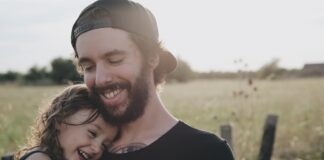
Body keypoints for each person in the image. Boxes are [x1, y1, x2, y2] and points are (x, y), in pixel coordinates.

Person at [71, 0, 235, 159]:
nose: (100, 79)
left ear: (152, 58)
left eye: (115, 60)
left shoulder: (205, 152)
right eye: (88, 67)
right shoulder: (80, 151)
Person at [15, 84, 119, 160]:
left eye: (104, 145)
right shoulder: (39, 158)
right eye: (92, 133)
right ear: (60, 118)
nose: (97, 149)